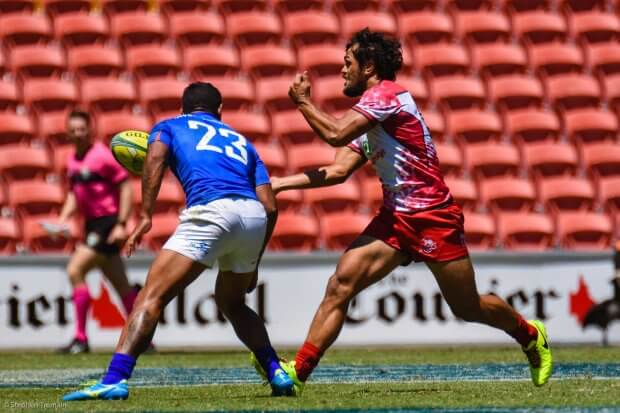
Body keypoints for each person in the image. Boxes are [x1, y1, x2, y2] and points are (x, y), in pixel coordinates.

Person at [254, 29, 553, 394]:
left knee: (468, 307)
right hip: (395, 219)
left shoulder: (385, 97)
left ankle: (530, 334)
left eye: (347, 63)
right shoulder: (371, 117)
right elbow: (336, 171)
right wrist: (281, 183)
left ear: (369, 66)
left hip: (432, 215)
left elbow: (333, 134)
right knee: (340, 285)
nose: (342, 71)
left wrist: (302, 102)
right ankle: (298, 373)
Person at [62, 82, 294, 401]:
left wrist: (145, 215)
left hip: (211, 210)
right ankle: (277, 371)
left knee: (150, 297)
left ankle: (115, 378)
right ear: (220, 111)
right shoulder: (243, 142)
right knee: (233, 303)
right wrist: (254, 262)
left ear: (182, 109)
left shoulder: (169, 126)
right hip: (253, 218)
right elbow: (269, 205)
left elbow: (154, 159)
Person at [51, 109, 139, 354]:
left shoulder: (103, 156)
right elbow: (73, 194)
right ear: (68, 133)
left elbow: (126, 188)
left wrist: (121, 224)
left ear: (90, 130)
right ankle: (144, 338)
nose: (78, 133)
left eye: (82, 129)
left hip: (107, 224)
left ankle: (81, 338)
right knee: (121, 285)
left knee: (75, 269)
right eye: (74, 130)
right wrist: (62, 219)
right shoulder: (72, 160)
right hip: (92, 224)